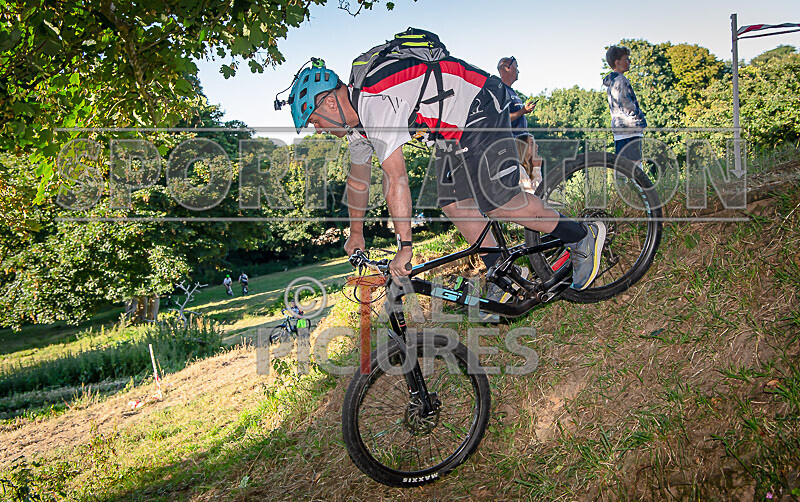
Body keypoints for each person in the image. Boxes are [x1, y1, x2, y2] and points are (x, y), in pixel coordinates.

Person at [286, 34, 606, 297]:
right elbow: (359, 180)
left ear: (330, 103)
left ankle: (580, 235)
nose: (318, 129)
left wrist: (406, 246)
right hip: (450, 131)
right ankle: (503, 271)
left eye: (314, 120)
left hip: (478, 102)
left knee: (498, 202)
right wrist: (356, 233)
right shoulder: (358, 125)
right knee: (453, 204)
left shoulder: (372, 100)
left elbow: (395, 178)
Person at [603, 46, 647, 168]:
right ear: (617, 62)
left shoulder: (612, 82)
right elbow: (624, 102)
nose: (629, 62)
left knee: (622, 164)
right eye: (626, 59)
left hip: (619, 127)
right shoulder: (620, 80)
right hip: (629, 126)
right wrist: (636, 115)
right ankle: (637, 187)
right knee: (636, 166)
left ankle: (624, 186)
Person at [497, 56, 537, 137]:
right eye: (516, 67)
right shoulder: (500, 91)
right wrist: (522, 111)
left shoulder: (511, 91)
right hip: (510, 142)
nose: (518, 71)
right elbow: (500, 119)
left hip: (520, 142)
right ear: (507, 67)